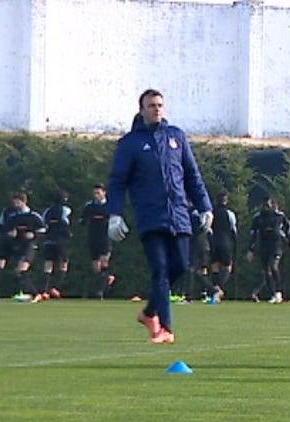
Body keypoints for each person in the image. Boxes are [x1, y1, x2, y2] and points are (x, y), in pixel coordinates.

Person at [108, 88, 213, 344]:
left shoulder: (176, 137)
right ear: (141, 110)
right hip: (150, 216)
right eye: (152, 105)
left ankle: (149, 312)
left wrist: (205, 206)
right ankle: (164, 329)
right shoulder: (130, 143)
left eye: (160, 105)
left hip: (179, 215)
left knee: (180, 267)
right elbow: (117, 181)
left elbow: (191, 175)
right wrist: (115, 214)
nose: (157, 109)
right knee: (161, 271)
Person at [0, 192, 45, 299]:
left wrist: (34, 234)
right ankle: (28, 293)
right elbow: (5, 228)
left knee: (21, 269)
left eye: (18, 202)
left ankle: (34, 294)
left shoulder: (33, 215)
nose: (15, 205)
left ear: (24, 202)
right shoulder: (13, 216)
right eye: (14, 202)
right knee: (19, 270)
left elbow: (43, 229)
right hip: (18, 245)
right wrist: (10, 233)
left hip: (29, 245)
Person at [247, 197, 290, 303]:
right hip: (263, 245)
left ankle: (278, 292)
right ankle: (273, 294)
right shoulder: (258, 217)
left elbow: (289, 227)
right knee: (266, 271)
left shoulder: (279, 216)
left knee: (273, 266)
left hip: (276, 245)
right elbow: (253, 233)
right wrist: (251, 249)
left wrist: (289, 240)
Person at [79, 184, 115, 300]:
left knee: (104, 262)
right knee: (96, 267)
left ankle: (100, 292)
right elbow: (82, 219)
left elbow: (116, 219)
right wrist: (83, 221)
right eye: (94, 193)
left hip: (105, 237)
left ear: (104, 193)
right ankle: (108, 278)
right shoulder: (89, 206)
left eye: (98, 193)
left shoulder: (110, 205)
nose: (96, 195)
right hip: (93, 237)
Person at [36, 190, 73, 302]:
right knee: (64, 264)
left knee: (48, 266)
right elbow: (66, 222)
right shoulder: (65, 210)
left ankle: (43, 290)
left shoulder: (47, 211)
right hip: (61, 241)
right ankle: (56, 288)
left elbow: (43, 224)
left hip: (49, 241)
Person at [209, 191, 238, 303]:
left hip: (213, 242)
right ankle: (218, 288)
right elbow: (233, 230)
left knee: (215, 267)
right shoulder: (229, 213)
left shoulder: (212, 213)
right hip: (225, 243)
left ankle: (214, 291)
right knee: (227, 267)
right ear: (226, 201)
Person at [183, 202, 213, 301]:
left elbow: (195, 229)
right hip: (204, 243)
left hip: (197, 243)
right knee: (200, 271)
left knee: (191, 269)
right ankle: (208, 292)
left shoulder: (193, 213)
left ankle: (189, 296)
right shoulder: (204, 212)